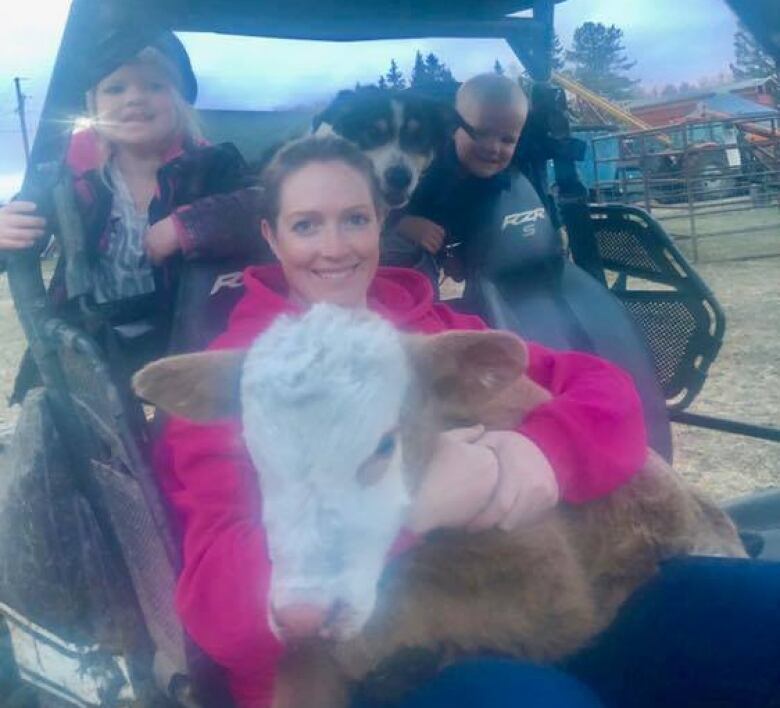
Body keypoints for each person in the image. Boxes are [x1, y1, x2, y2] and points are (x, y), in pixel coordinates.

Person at [156, 135, 647, 706]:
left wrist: (543, 452)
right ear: (271, 236)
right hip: (367, 665)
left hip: (531, 597)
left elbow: (605, 388)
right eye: (306, 225)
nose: (334, 247)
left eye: (354, 219)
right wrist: (411, 506)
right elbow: (221, 616)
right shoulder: (246, 376)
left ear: (382, 222)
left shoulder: (431, 331)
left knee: (747, 611)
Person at [0, 31, 264, 400]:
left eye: (154, 86)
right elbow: (20, 239)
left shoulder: (214, 166)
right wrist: (6, 230)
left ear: (179, 101)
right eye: (115, 88)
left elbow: (263, 208)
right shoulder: (68, 182)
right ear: (93, 107)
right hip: (94, 341)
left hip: (187, 337)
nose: (135, 98)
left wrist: (186, 226)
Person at [381, 72, 528, 296]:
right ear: (452, 128)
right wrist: (402, 223)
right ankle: (401, 303)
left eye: (507, 140)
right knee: (403, 249)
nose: (493, 148)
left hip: (440, 238)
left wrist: (457, 253)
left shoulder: (501, 182)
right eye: (480, 133)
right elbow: (365, 199)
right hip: (395, 230)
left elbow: (475, 220)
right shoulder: (423, 164)